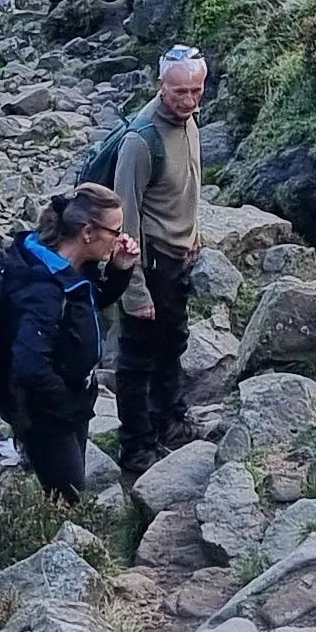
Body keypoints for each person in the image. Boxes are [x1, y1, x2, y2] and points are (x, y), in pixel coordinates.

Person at [110, 46, 211, 479]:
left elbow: (188, 184)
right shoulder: (140, 141)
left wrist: (193, 233)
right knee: (137, 358)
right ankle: (136, 446)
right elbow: (125, 217)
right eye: (179, 92)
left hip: (177, 256)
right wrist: (134, 291)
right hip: (149, 262)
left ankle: (169, 418)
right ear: (160, 86)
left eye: (196, 90)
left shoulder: (190, 120)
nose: (189, 100)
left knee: (173, 341)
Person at [4, 181, 131, 503]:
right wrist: (65, 404)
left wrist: (119, 270)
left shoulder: (74, 268)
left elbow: (87, 305)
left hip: (74, 398)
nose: (121, 238)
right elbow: (29, 367)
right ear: (88, 232)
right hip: (47, 412)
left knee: (67, 484)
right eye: (116, 231)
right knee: (69, 495)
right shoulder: (42, 288)